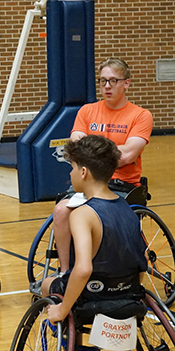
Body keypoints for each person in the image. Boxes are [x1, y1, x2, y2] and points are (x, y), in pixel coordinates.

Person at [53, 58, 153, 272]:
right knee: (61, 210)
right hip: (88, 183)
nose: (107, 86)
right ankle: (64, 271)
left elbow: (127, 156)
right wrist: (112, 150)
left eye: (113, 81)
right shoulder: (87, 111)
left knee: (98, 215)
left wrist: (91, 149)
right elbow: (75, 147)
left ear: (126, 83)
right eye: (103, 81)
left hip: (122, 185)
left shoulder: (141, 116)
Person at [43, 135, 148, 323]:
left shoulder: (82, 214)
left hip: (92, 296)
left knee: (46, 285)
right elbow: (144, 259)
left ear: (83, 172)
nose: (70, 173)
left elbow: (83, 269)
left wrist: (62, 309)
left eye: (72, 167)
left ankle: (68, 342)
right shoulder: (128, 209)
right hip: (128, 297)